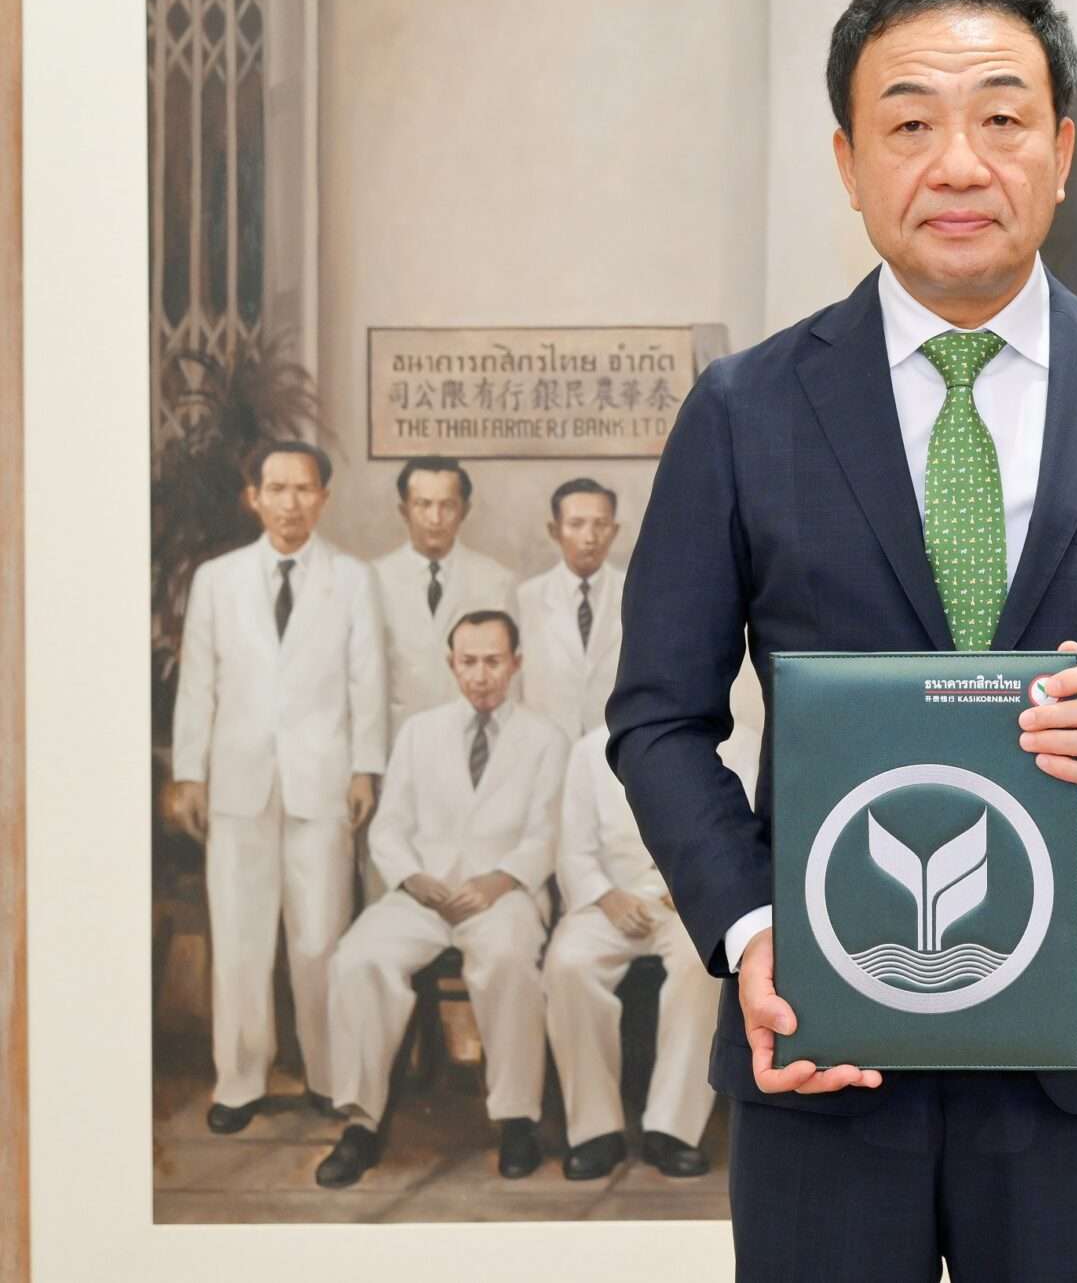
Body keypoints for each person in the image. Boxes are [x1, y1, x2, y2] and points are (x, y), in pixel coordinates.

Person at [608, 0, 1077, 1282]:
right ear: (848, 161)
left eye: (1001, 117)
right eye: (911, 123)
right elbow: (659, 717)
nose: (960, 163)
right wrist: (754, 930)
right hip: (823, 1025)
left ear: (1063, 151)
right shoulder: (745, 410)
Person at [170, 439, 386, 1135]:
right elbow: (198, 682)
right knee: (239, 938)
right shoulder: (217, 579)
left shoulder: (352, 579)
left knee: (319, 938)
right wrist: (189, 772)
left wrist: (365, 766)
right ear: (253, 497)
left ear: (324, 498)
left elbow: (367, 680)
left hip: (323, 782)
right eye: (277, 488)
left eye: (304, 489)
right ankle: (239, 1080)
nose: (290, 503)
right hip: (237, 783)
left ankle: (327, 1075)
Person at [315, 611, 568, 1187]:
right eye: (468, 662)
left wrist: (498, 881)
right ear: (452, 664)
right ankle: (360, 1122)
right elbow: (389, 828)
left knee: (508, 961)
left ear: (516, 663)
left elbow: (546, 834)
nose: (481, 675)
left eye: (493, 661)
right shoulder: (419, 733)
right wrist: (412, 879)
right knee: (358, 958)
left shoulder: (546, 739)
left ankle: (516, 1120)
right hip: (425, 895)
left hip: (502, 895)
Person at [544, 721, 721, 1180]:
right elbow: (574, 851)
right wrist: (606, 896)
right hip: (610, 901)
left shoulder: (728, 740)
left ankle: (672, 1130)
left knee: (702, 964)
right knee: (568, 963)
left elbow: (735, 835)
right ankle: (596, 1131)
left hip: (688, 903)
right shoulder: (589, 751)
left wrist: (693, 886)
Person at [370, 457, 516, 737]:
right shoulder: (373, 580)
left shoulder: (496, 580)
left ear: (464, 510)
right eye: (423, 505)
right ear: (404, 510)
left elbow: (510, 683)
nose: (435, 519)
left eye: (447, 506)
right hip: (397, 740)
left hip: (474, 740)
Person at [515, 477, 625, 746]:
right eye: (576, 524)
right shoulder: (525, 598)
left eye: (601, 524)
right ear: (555, 530)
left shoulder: (635, 593)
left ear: (614, 530)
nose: (590, 538)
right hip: (544, 745)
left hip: (613, 746)